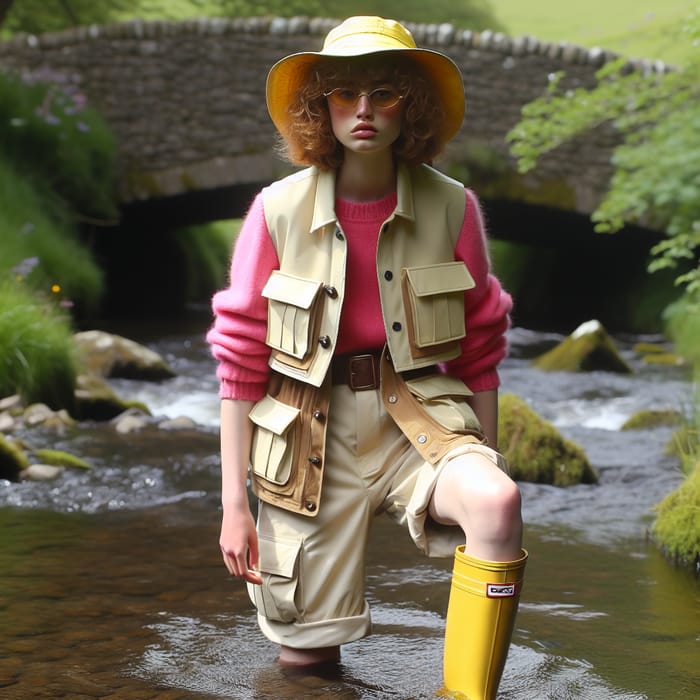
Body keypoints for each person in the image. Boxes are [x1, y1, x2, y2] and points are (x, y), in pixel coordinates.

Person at [207, 15, 527, 699]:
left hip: (419, 420)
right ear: (319, 106)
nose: (363, 111)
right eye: (345, 94)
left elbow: (481, 350)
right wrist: (235, 507)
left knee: (497, 503)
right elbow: (238, 364)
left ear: (411, 104)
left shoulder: (454, 208)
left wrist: (486, 454)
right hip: (303, 438)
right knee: (307, 665)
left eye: (384, 93)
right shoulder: (275, 211)